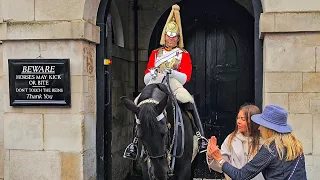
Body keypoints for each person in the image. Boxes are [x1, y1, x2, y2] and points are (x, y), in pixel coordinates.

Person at [123, 4, 208, 160]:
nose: (171, 38)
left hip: (174, 82)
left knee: (187, 99)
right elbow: (146, 76)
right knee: (137, 103)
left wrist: (173, 72)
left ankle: (199, 135)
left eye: (174, 36)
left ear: (178, 38)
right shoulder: (156, 53)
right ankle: (134, 143)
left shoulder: (183, 54)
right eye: (169, 35)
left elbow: (186, 76)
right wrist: (153, 73)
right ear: (165, 36)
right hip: (155, 82)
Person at [207, 105, 307, 180]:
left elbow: (241, 176)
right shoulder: (295, 144)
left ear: (269, 128)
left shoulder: (270, 149)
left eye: (262, 125)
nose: (259, 127)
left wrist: (219, 158)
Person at [207, 104, 265, 180]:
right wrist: (212, 156)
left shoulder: (264, 142)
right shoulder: (231, 139)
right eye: (238, 118)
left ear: (253, 122)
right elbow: (221, 166)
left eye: (243, 119)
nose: (238, 122)